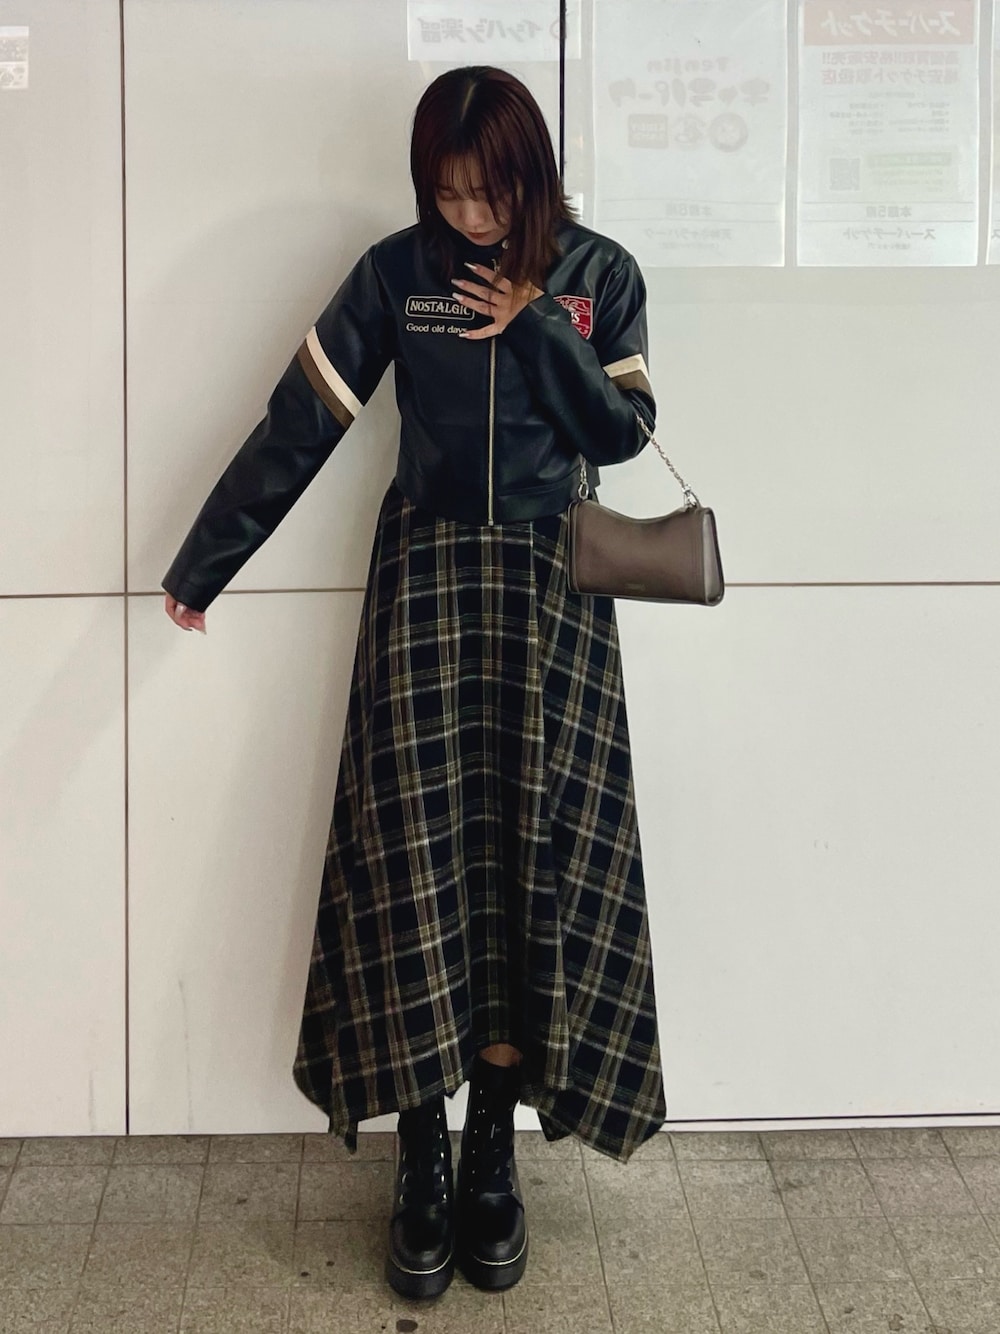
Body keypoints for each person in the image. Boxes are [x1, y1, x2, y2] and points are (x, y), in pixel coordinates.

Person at [162, 64, 667, 1300]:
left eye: (490, 194)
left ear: (532, 176)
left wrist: (538, 323)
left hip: (552, 596)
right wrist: (204, 563)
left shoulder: (599, 274)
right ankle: (424, 1152)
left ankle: (496, 1146)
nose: (470, 219)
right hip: (428, 586)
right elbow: (301, 420)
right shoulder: (397, 273)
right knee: (415, 860)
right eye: (447, 195)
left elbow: (622, 435)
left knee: (524, 859)